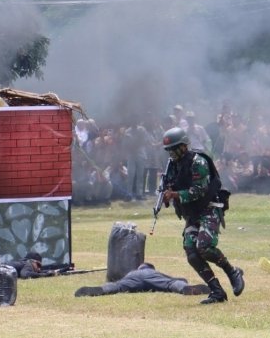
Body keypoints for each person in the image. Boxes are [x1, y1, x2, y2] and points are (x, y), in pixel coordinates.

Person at [159, 126, 244, 304]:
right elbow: (173, 188)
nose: (171, 153)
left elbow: (198, 190)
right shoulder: (173, 166)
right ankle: (217, 291)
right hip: (191, 213)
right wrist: (166, 195)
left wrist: (175, 194)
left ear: (183, 146)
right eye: (168, 150)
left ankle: (232, 271)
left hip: (209, 208)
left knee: (204, 247)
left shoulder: (198, 162)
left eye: (174, 149)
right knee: (191, 252)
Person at [74, 262, 209, 297]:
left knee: (118, 286)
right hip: (151, 280)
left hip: (132, 281)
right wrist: (183, 283)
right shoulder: (152, 272)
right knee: (170, 284)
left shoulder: (132, 273)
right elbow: (172, 279)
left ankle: (101, 289)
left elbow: (120, 283)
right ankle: (185, 289)